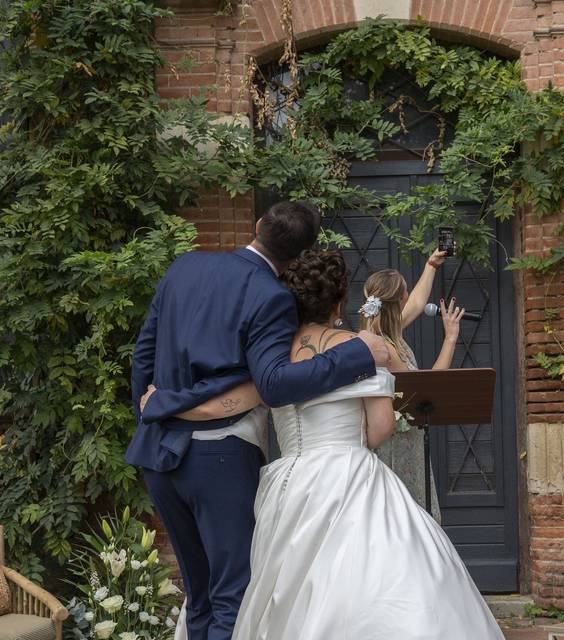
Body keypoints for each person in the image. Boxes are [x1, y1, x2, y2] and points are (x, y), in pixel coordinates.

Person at [171, 250, 503, 639]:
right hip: (349, 473)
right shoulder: (360, 345)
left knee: (280, 585)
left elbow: (244, 400)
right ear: (340, 300)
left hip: (286, 483)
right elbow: (381, 428)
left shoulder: (269, 351)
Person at [127, 201, 389, 640]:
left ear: (257, 226)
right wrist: (357, 352)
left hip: (158, 453)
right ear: (298, 255)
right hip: (220, 456)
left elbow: (143, 357)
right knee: (232, 595)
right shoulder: (271, 295)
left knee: (199, 594)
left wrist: (153, 405)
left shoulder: (184, 267)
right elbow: (274, 383)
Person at [359, 251, 465, 372]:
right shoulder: (387, 350)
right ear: (399, 301)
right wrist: (450, 338)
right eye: (406, 290)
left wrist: (431, 265)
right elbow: (428, 386)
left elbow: (416, 303)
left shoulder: (385, 329)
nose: (409, 296)